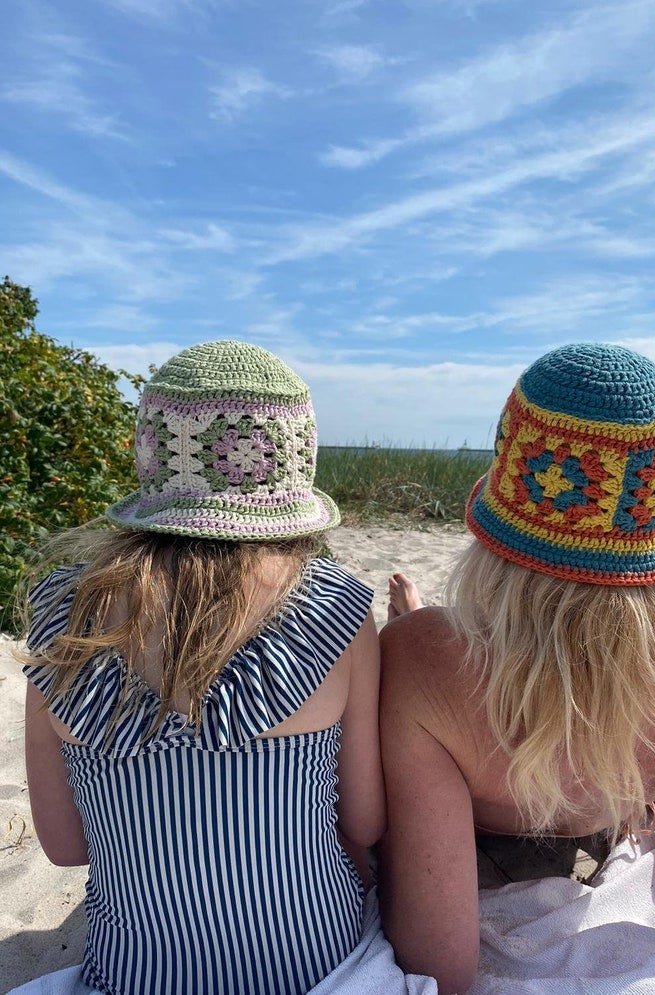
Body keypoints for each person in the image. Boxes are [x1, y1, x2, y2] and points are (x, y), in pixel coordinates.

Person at [377, 342, 655, 995]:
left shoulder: (421, 658)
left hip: (493, 827)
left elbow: (440, 965)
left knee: (437, 629)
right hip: (634, 774)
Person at [21, 340, 385, 995]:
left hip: (136, 978)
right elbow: (364, 823)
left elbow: (65, 847)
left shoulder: (59, 614)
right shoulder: (339, 608)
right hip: (315, 971)